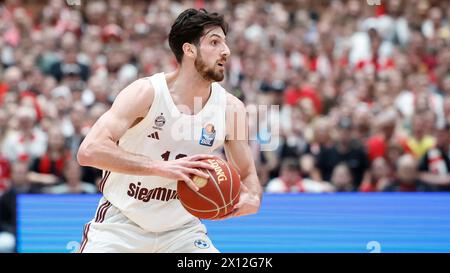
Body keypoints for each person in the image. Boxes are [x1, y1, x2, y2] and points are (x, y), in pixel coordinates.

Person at [76, 9, 262, 253]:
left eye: (225, 43)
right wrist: (158, 167)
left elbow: (248, 174)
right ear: (189, 50)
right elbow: (89, 151)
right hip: (121, 225)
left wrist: (253, 198)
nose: (225, 51)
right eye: (215, 42)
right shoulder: (146, 93)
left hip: (182, 233)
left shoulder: (231, 109)